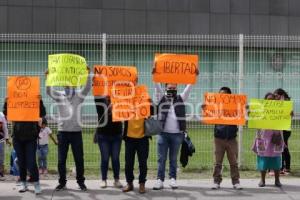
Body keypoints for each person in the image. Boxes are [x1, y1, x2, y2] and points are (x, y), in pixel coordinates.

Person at [46, 67, 92, 191]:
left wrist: (88, 74)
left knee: (79, 159)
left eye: (70, 83)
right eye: (66, 84)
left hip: (76, 133)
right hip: (62, 133)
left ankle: (81, 182)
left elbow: (87, 87)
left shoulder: (79, 95)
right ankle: (62, 182)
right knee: (61, 160)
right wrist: (48, 77)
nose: (68, 85)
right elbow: (49, 91)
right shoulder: (59, 96)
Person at [153, 68, 198, 190]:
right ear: (166, 88)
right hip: (163, 134)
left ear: (176, 89)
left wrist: (193, 76)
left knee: (173, 158)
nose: (172, 90)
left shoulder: (181, 98)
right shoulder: (162, 98)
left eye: (174, 88)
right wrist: (155, 75)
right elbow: (157, 86)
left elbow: (189, 88)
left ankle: (173, 179)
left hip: (177, 135)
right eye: (169, 88)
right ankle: (159, 180)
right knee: (161, 158)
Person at [3, 96, 46, 194]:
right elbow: (7, 114)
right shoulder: (16, 103)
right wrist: (6, 103)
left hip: (30, 138)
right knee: (21, 162)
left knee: (31, 162)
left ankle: (36, 183)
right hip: (18, 138)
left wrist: (40, 101)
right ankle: (23, 183)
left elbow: (42, 114)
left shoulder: (32, 103)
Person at [209, 87, 242, 190]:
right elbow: (208, 115)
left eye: (224, 94)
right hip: (218, 139)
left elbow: (243, 116)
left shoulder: (236, 107)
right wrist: (205, 108)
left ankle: (236, 182)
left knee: (234, 162)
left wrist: (245, 109)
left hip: (232, 139)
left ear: (229, 95)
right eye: (220, 94)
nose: (221, 96)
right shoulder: (215, 106)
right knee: (217, 162)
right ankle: (216, 181)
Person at [252, 92, 284, 187]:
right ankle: (262, 180)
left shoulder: (279, 110)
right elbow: (252, 118)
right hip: (263, 138)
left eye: (272, 99)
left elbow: (286, 117)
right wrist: (250, 113)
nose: (270, 101)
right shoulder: (260, 110)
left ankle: (277, 180)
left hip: (276, 137)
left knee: (276, 158)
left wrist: (289, 113)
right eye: (268, 100)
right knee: (263, 158)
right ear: (264, 101)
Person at [122, 101, 153, 194]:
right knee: (128, 163)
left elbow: (156, 110)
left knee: (143, 163)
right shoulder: (126, 102)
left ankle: (142, 183)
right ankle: (129, 183)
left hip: (143, 138)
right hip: (129, 138)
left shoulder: (145, 102)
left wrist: (151, 103)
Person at [94, 96, 123, 189]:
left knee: (115, 158)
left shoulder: (120, 99)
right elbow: (96, 97)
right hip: (103, 134)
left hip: (116, 134)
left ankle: (116, 179)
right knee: (105, 158)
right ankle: (103, 179)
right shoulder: (100, 101)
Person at [274, 88, 292, 174]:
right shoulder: (274, 104)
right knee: (278, 148)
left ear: (281, 95)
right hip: (278, 129)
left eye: (277, 95)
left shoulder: (287, 103)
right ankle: (280, 167)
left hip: (285, 130)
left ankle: (286, 167)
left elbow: (289, 115)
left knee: (284, 148)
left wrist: (282, 101)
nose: (275, 97)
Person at [0, 111, 10, 180]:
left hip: (0, 139)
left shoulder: (1, 115)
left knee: (1, 156)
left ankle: (1, 173)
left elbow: (5, 127)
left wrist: (6, 138)